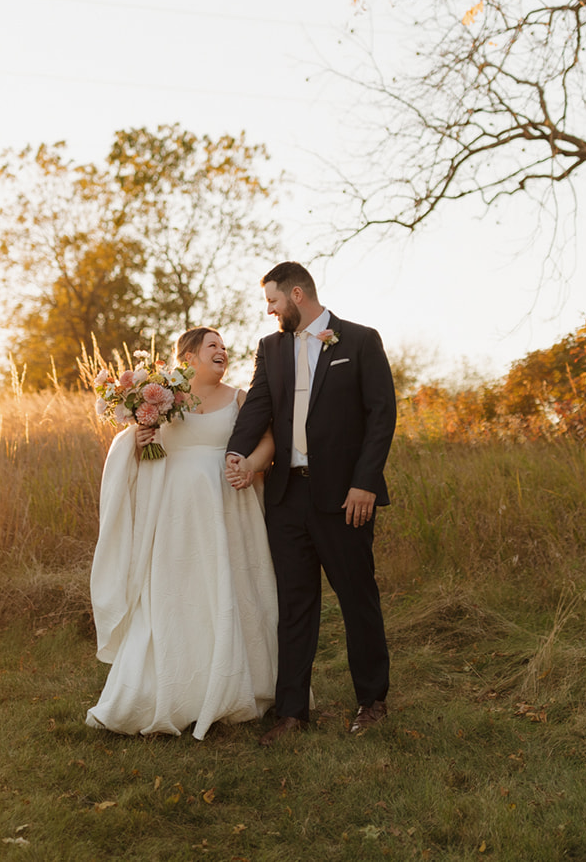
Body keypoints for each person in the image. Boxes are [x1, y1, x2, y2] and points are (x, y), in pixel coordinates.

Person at [226, 261, 397, 747]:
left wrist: (365, 483)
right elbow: (258, 405)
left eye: (272, 302)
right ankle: (291, 711)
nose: (270, 311)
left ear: (297, 294)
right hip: (286, 497)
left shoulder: (360, 341)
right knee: (294, 605)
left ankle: (372, 700)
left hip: (345, 497)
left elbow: (381, 416)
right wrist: (235, 455)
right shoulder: (271, 348)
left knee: (356, 598)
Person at [86, 327, 279, 739]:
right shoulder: (165, 399)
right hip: (176, 514)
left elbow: (267, 443)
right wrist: (137, 441)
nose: (222, 352)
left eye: (224, 348)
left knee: (231, 587)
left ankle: (237, 685)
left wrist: (250, 466)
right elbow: (141, 448)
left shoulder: (240, 397)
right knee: (178, 594)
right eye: (213, 346)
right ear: (188, 357)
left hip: (228, 507)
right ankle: (174, 691)